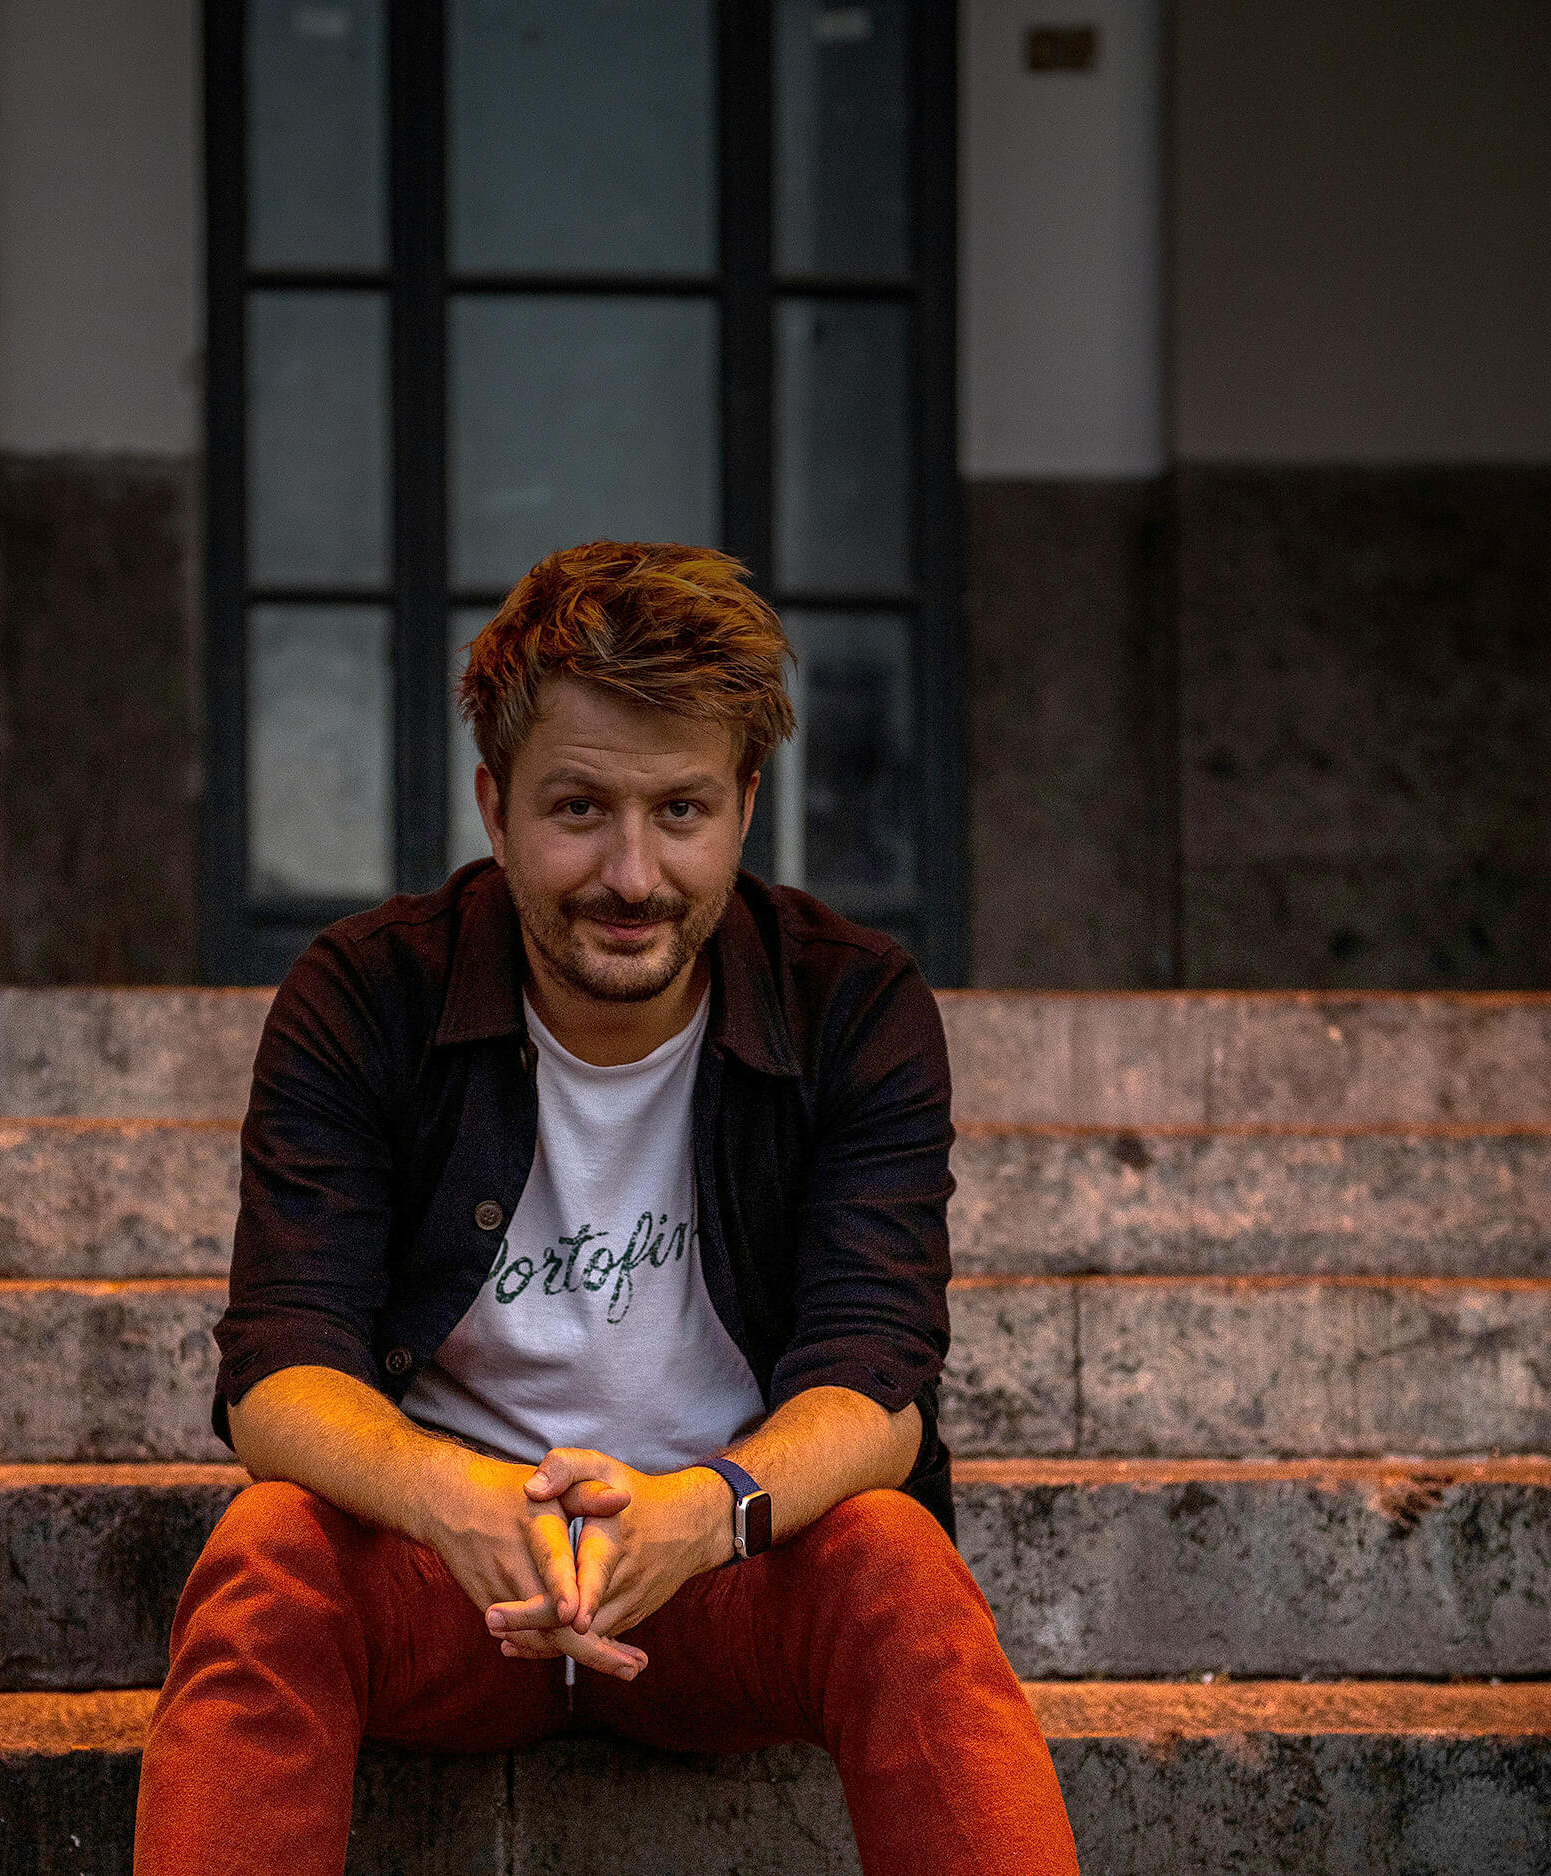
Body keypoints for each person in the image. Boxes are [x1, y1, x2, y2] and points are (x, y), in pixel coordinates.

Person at [135, 541, 1077, 1874]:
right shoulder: (366, 995)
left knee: (892, 1557)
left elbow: (876, 1383)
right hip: (453, 1585)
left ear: (746, 807)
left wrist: (708, 1509)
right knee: (270, 1547)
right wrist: (451, 1494)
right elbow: (279, 1375)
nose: (633, 876)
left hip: (722, 1580)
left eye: (681, 813)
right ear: (494, 804)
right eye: (579, 809)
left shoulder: (852, 1004)